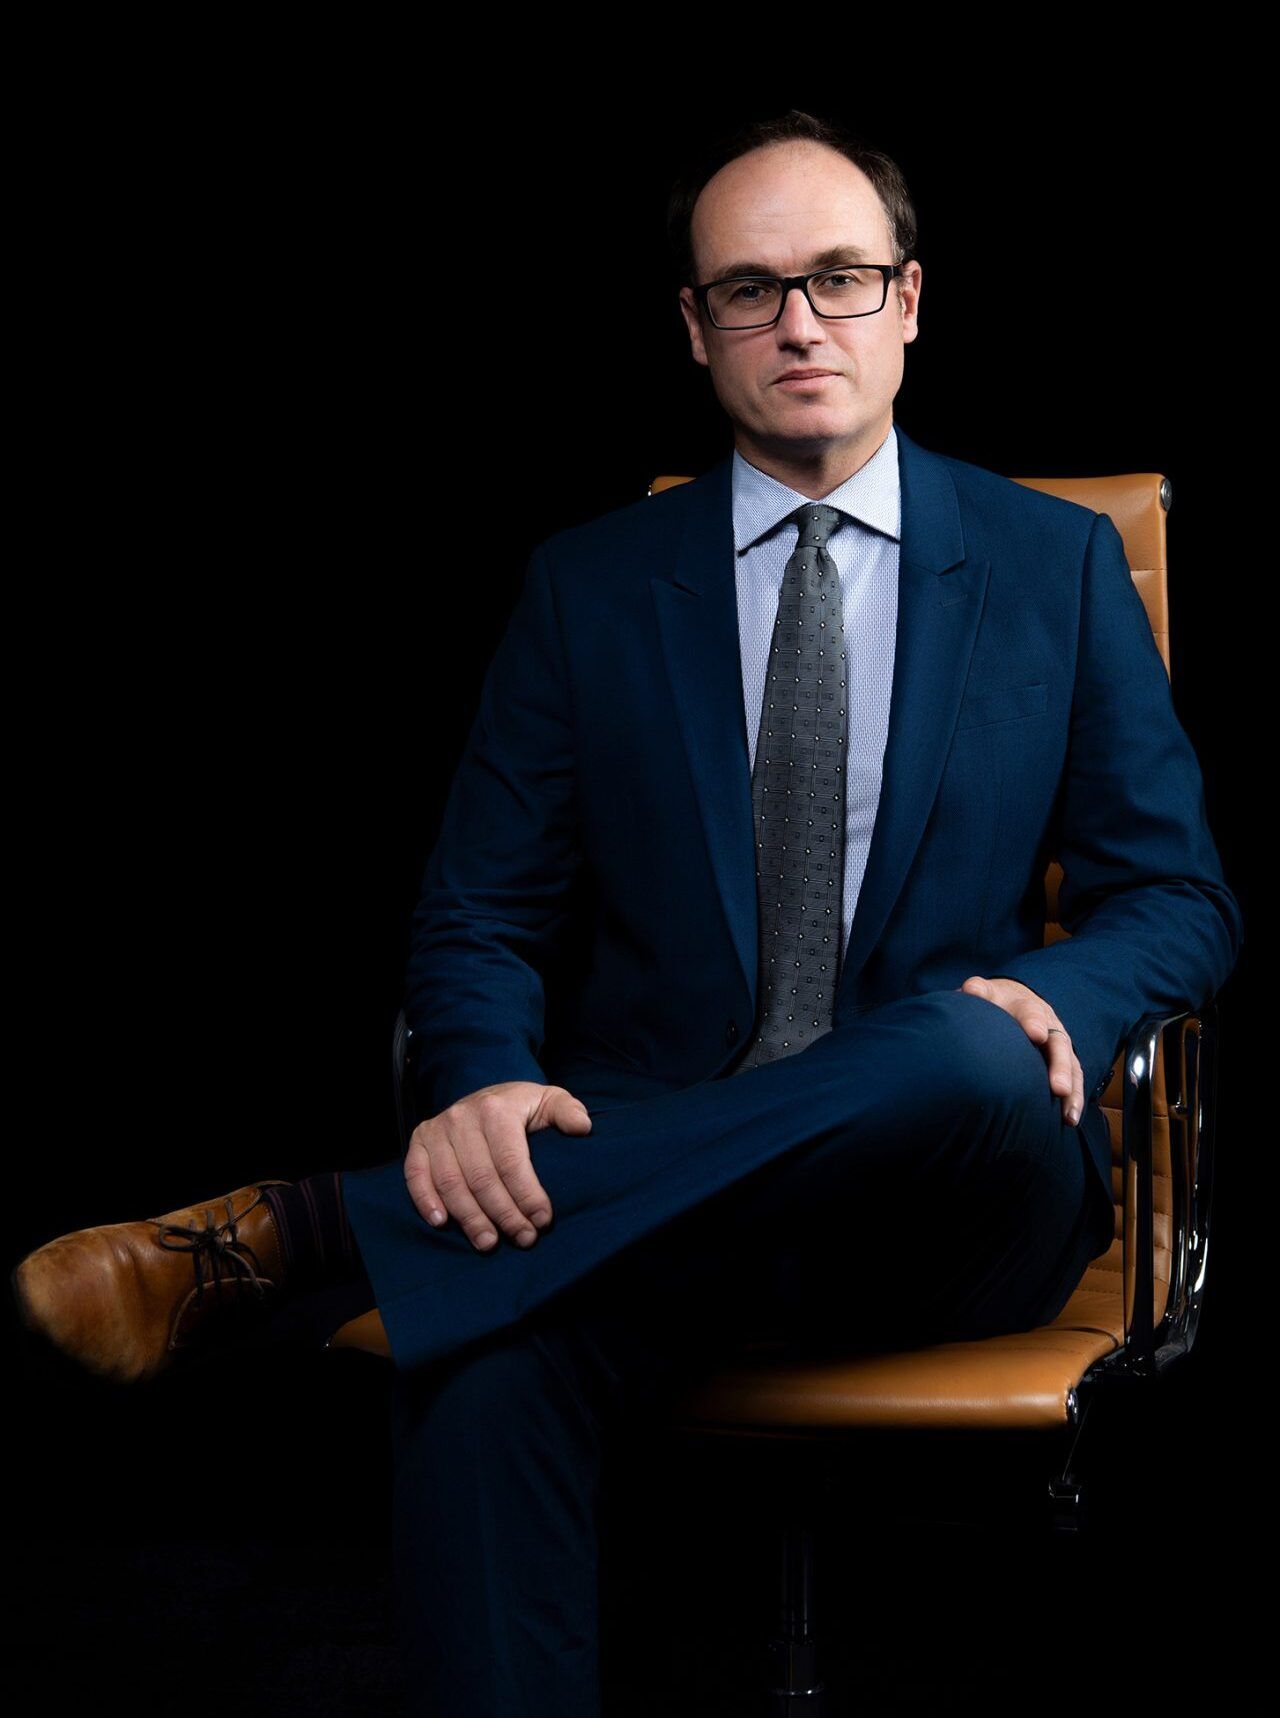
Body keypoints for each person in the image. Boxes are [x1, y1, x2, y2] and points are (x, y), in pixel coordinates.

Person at [11, 109, 1243, 1717]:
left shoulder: (1055, 567)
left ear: (909, 301)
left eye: (841, 277)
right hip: (652, 1203)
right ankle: (401, 1236)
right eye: (750, 289)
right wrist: (478, 1088)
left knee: (961, 1046)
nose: (800, 321)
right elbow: (479, 911)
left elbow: (1180, 896)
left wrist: (1065, 1005)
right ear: (694, 326)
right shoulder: (588, 587)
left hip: (952, 1199)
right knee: (479, 1343)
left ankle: (319, 1232)